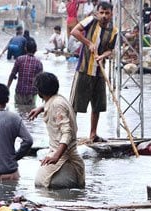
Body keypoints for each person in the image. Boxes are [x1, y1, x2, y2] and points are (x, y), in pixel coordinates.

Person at [69, 1, 117, 143]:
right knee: (75, 104)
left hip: (99, 72)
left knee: (97, 105)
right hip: (84, 69)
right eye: (101, 12)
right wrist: (88, 43)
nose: (104, 16)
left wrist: (102, 56)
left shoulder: (113, 30)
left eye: (107, 13)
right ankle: (71, 134)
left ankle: (93, 134)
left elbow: (110, 50)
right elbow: (74, 31)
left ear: (111, 14)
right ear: (97, 12)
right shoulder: (91, 21)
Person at [29, 72, 85, 189]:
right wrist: (41, 108)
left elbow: (67, 133)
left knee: (41, 186)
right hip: (64, 156)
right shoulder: (58, 100)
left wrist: (56, 156)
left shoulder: (57, 105)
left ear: (40, 92)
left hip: (63, 159)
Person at [7, 39, 43, 106]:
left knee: (19, 111)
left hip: (20, 91)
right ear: (36, 50)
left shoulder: (19, 59)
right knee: (30, 112)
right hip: (32, 93)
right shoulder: (39, 62)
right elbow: (40, 80)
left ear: (25, 48)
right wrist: (42, 95)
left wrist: (7, 87)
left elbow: (12, 74)